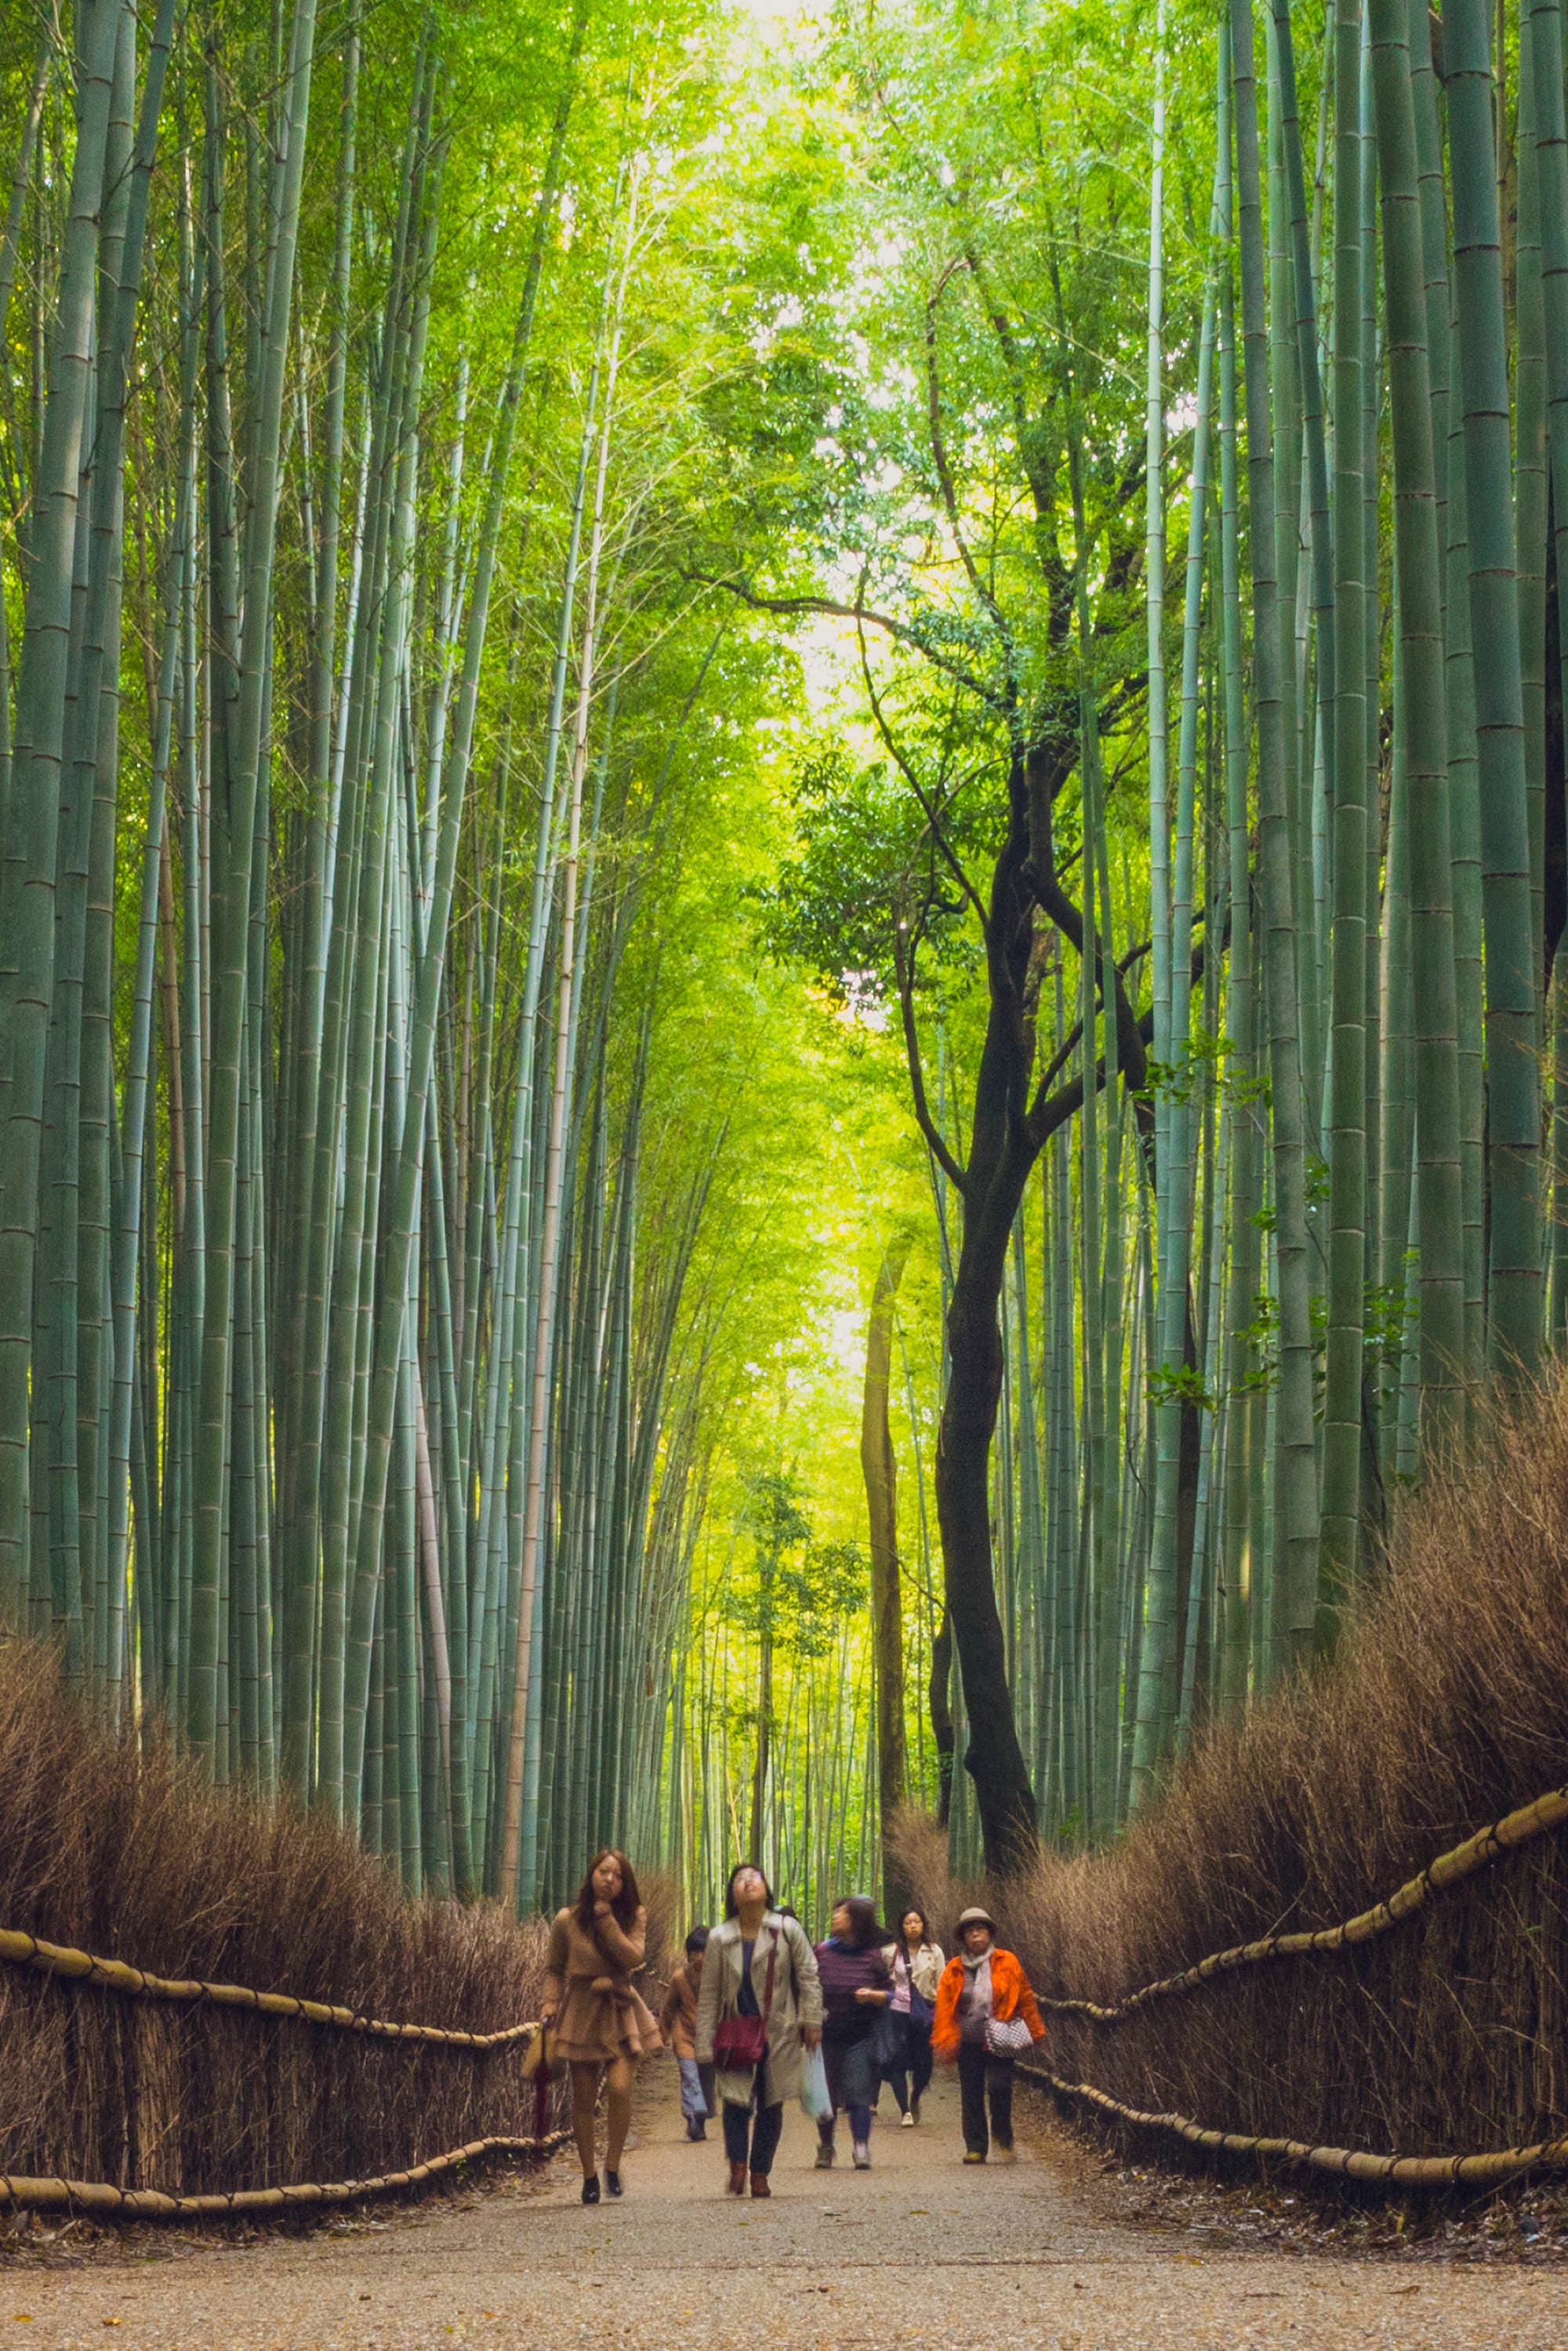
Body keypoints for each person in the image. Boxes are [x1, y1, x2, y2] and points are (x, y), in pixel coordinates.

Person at [695, 1863, 822, 2198]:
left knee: (771, 2103)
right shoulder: (719, 1937)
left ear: (766, 1889)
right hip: (735, 2029)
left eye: (755, 1877)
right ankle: (738, 2165)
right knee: (735, 2101)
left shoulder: (787, 1929)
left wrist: (812, 2020)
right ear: (732, 1895)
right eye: (739, 1879)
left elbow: (809, 1975)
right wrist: (704, 2043)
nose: (748, 1882)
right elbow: (709, 1993)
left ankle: (760, 2173)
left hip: (779, 2029)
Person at [542, 1848, 660, 2205]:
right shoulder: (567, 1919)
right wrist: (550, 2003)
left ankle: (612, 2165)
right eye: (603, 1872)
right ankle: (589, 2175)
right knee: (583, 2096)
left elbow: (633, 1956)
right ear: (591, 1875)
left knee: (620, 2089)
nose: (609, 1880)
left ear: (626, 1884)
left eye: (618, 1875)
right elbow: (554, 1969)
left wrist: (607, 1920)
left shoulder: (634, 1915)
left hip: (619, 2007)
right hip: (581, 2009)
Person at [931, 1903, 1046, 2164]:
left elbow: (1025, 1996)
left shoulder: (1007, 1961)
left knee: (999, 2087)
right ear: (963, 1937)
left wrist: (1036, 2030)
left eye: (980, 1929)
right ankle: (976, 2147)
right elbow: (945, 2007)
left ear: (990, 1934)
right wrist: (945, 2039)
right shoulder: (954, 1968)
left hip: (1001, 2036)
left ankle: (1004, 2139)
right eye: (970, 1931)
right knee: (971, 2092)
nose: (975, 1935)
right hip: (968, 2040)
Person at [813, 1894, 892, 2171]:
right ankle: (826, 2146)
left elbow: (890, 1993)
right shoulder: (821, 1952)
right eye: (836, 1913)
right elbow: (807, 1987)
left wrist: (872, 1995)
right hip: (825, 2035)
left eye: (843, 1914)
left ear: (857, 1921)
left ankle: (861, 2146)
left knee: (858, 2093)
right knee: (825, 2097)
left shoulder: (872, 1957)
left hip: (859, 2035)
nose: (836, 1917)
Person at [879, 1904, 944, 2125]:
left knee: (924, 2064)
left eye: (916, 1922)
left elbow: (942, 1982)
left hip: (924, 2012)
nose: (913, 1926)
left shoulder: (934, 1951)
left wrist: (940, 2011)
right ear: (901, 1927)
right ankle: (905, 2110)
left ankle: (915, 2096)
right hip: (897, 2011)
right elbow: (881, 1978)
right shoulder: (891, 1952)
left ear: (923, 1924)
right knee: (897, 2060)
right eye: (908, 1923)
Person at [660, 1925, 717, 2140]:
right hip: (684, 2034)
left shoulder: (718, 1978)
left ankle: (699, 2122)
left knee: (706, 2080)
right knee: (689, 2075)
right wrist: (664, 2033)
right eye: (694, 1952)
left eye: (703, 1952)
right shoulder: (679, 1978)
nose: (699, 1957)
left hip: (709, 2038)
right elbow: (669, 2008)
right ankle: (693, 2116)